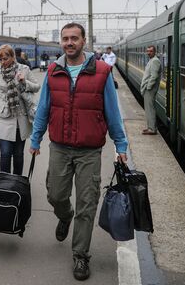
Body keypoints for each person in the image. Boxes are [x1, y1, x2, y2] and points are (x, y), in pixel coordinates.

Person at [30, 22, 128, 281]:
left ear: (84, 41)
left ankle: (81, 255)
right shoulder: (53, 71)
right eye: (65, 38)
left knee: (87, 203)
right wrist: (36, 138)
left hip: (89, 151)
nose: (69, 42)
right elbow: (43, 108)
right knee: (55, 195)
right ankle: (65, 215)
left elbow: (112, 112)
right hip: (60, 147)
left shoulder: (103, 72)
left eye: (74, 38)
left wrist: (121, 145)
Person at [0, 44, 40, 175]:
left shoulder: (24, 69)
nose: (3, 62)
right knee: (5, 153)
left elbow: (37, 87)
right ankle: (4, 184)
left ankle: (17, 182)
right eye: (0, 59)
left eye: (5, 58)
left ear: (13, 57)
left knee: (18, 154)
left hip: (21, 117)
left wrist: (24, 82)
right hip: (4, 117)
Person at [140, 45, 161, 135]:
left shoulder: (155, 61)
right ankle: (150, 127)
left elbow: (154, 76)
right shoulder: (151, 60)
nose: (149, 53)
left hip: (150, 89)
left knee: (150, 108)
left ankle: (152, 129)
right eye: (147, 51)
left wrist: (148, 87)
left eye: (151, 51)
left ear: (154, 52)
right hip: (148, 88)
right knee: (148, 108)